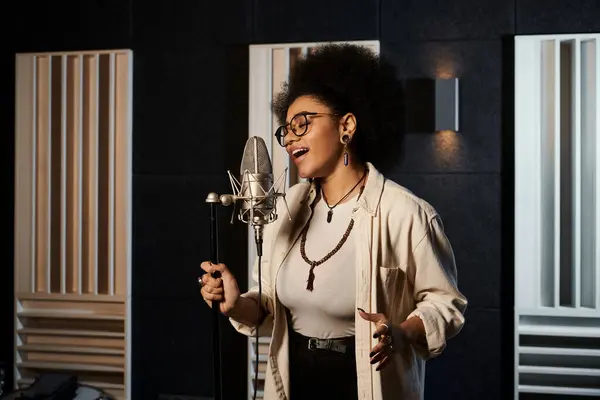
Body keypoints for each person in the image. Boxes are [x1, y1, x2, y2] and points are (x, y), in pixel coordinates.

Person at [199, 43, 467, 400]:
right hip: (295, 381)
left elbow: (444, 304)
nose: (290, 138)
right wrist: (235, 304)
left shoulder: (406, 213)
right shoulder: (287, 206)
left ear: (347, 126)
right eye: (286, 130)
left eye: (302, 124)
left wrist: (400, 334)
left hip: (365, 381)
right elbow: (267, 305)